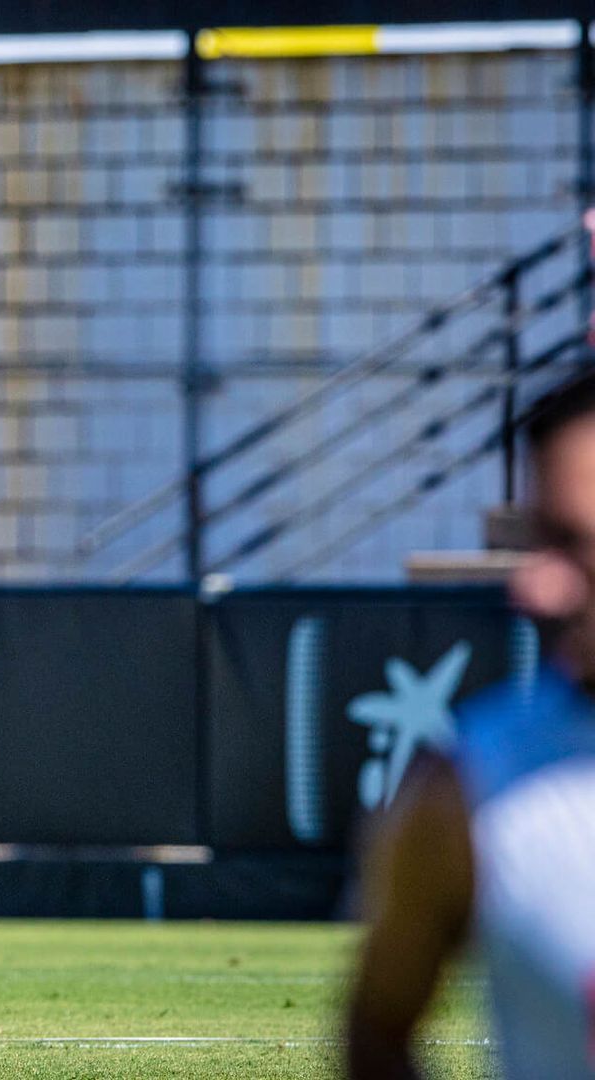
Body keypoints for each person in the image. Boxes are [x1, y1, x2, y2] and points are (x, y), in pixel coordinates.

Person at [345, 370, 595, 1079]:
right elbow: (377, 1034)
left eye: (574, 543)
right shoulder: (468, 785)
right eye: (537, 540)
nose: (533, 587)